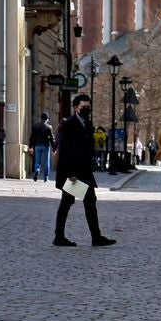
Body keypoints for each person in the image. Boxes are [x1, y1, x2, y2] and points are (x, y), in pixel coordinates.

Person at [53, 93, 114, 248]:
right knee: (69, 202)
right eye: (83, 107)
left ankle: (95, 237)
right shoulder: (69, 124)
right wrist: (71, 173)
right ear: (76, 108)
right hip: (72, 172)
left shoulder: (87, 124)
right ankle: (61, 237)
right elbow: (66, 150)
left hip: (84, 171)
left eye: (88, 107)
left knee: (86, 201)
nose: (86, 109)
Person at [30, 113, 54, 183]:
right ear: (47, 119)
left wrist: (31, 146)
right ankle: (46, 178)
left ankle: (37, 170)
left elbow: (32, 137)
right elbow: (51, 138)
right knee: (47, 162)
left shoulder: (35, 126)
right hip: (46, 145)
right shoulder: (49, 127)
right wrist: (54, 148)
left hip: (37, 145)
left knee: (37, 161)